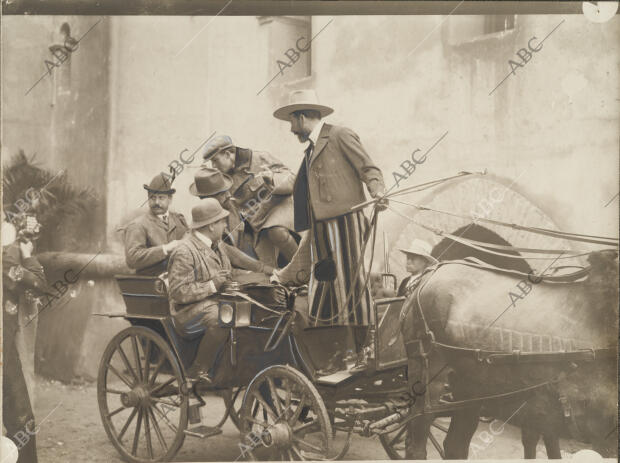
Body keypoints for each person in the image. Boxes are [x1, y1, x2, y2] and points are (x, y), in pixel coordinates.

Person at [272, 89, 386, 353]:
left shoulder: (339, 135)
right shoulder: (310, 151)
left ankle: (363, 347)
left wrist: (377, 191)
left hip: (344, 223)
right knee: (326, 284)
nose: (291, 129)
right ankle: (336, 349)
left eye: (291, 121)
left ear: (301, 118)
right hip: (322, 228)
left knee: (351, 283)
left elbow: (368, 168)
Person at [201, 135, 298, 267]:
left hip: (280, 210)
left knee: (276, 232)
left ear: (228, 154)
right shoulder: (224, 178)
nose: (213, 166)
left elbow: (293, 180)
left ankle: (302, 270)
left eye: (215, 160)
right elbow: (231, 208)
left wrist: (272, 178)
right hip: (257, 224)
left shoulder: (260, 158)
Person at [167, 199, 236, 383]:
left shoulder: (217, 245)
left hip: (214, 304)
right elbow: (178, 291)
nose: (225, 225)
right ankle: (198, 369)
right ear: (212, 226)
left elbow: (228, 274)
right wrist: (212, 285)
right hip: (186, 314)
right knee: (223, 316)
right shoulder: (185, 250)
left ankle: (233, 366)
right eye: (222, 221)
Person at [3, 218, 47, 463]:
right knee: (22, 422)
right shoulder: (8, 259)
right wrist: (26, 254)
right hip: (3, 349)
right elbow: (40, 283)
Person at [189, 167, 275, 276]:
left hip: (251, 257)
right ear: (206, 199)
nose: (229, 195)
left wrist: (269, 184)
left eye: (227, 191)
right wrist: (267, 270)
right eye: (222, 194)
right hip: (231, 270)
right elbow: (234, 256)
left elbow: (255, 204)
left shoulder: (230, 205)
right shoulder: (204, 225)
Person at [122, 173, 188, 275]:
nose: (156, 202)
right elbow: (132, 259)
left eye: (161, 198)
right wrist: (165, 249)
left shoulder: (179, 220)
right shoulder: (138, 225)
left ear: (170, 199)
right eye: (152, 198)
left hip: (179, 282)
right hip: (150, 284)